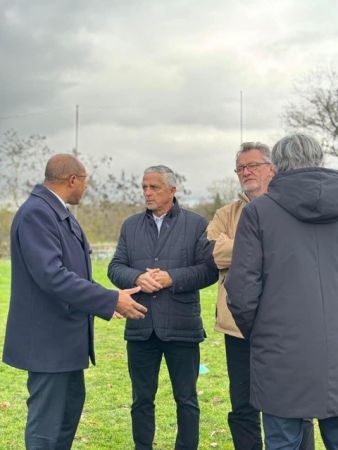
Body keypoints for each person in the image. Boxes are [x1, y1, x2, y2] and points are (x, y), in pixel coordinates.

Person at [2, 154, 147, 450]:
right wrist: (109, 300)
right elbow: (52, 276)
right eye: (85, 182)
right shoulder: (37, 214)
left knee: (65, 418)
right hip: (47, 343)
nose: (85, 188)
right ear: (72, 180)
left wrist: (109, 298)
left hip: (65, 343)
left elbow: (72, 272)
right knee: (46, 428)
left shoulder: (56, 212)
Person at [225, 134, 338, 449]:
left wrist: (260, 333)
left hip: (280, 356)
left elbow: (242, 292)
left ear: (277, 166)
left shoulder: (259, 212)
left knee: (282, 442)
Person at [207, 142, 314, 450]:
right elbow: (209, 252)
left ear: (272, 168)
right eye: (240, 168)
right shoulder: (227, 212)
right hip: (238, 327)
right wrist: (260, 249)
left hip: (286, 327)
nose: (245, 172)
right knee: (242, 406)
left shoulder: (289, 207)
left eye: (252, 165)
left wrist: (237, 247)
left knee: (296, 407)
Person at [108, 165, 218, 450]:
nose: (147, 192)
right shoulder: (130, 226)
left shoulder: (196, 224)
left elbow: (209, 270)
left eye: (154, 187)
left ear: (172, 189)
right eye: (144, 187)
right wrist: (136, 278)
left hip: (182, 327)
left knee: (186, 399)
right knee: (141, 399)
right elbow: (115, 267)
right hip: (140, 326)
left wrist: (173, 278)